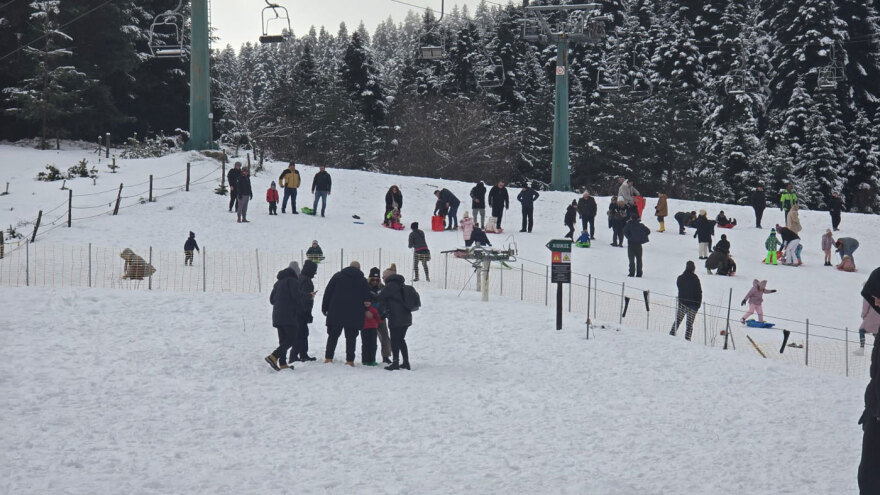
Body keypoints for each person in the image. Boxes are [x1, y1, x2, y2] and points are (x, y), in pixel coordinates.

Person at [322, 261, 370, 366]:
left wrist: (324, 307)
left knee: (333, 336)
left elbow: (328, 292)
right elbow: (367, 298)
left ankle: (329, 357)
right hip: (354, 313)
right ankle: (350, 360)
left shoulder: (337, 276)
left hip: (336, 311)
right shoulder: (362, 280)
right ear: (359, 268)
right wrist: (366, 309)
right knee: (351, 337)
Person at [859, 267, 880, 493]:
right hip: (875, 415)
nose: (875, 301)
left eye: (878, 296)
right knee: (868, 479)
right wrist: (871, 405)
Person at [265, 261, 304, 371]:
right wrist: (301, 310)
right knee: (292, 338)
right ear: (296, 272)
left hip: (277, 314)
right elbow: (297, 298)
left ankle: (282, 363)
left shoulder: (278, 283)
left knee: (283, 340)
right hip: (289, 315)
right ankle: (273, 356)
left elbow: (272, 300)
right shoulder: (293, 281)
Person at [378, 265, 415, 370]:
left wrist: (370, 294)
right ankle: (406, 362)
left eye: (384, 276)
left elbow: (380, 297)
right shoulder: (401, 285)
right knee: (401, 339)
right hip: (406, 318)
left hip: (396, 318)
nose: (382, 278)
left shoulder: (390, 286)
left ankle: (395, 362)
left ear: (389, 277)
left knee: (395, 340)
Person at [292, 259, 318, 362]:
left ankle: (302, 354)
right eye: (314, 270)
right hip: (301, 312)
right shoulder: (306, 281)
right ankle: (294, 355)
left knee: (302, 333)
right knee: (301, 334)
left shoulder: (301, 278)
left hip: (298, 311)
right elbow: (304, 298)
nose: (315, 273)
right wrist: (306, 311)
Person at [670, 261, 702, 341]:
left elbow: (679, 287)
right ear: (693, 268)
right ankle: (687, 339)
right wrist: (698, 304)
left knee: (677, 321)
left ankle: (671, 335)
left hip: (682, 304)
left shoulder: (680, 278)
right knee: (689, 324)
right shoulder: (695, 278)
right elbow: (699, 292)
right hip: (693, 305)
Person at [367, 267, 392, 364]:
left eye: (377, 280)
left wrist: (384, 313)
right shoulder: (366, 287)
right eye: (373, 279)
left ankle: (386, 356)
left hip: (381, 316)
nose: (375, 281)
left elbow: (386, 301)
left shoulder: (383, 288)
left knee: (385, 337)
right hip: (370, 317)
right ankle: (370, 357)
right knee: (371, 339)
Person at [857, 289, 880, 356]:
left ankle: (861, 348)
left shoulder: (867, 295)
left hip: (871, 316)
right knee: (876, 332)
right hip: (879, 316)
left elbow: (865, 308)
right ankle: (878, 348)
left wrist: (863, 316)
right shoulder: (877, 294)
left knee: (861, 330)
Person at [361, 300, 381, 366]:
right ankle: (365, 360)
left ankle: (372, 360)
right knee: (365, 344)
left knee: (373, 344)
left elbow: (378, 318)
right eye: (365, 301)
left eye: (368, 301)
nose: (367, 303)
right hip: (364, 328)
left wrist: (379, 319)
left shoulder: (373, 309)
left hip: (373, 328)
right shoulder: (362, 309)